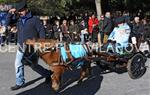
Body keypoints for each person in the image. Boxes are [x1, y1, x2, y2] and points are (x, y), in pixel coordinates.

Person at [7, 0, 52, 90]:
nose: (20, 12)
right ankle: (19, 82)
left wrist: (41, 43)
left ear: (26, 9)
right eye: (18, 11)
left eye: (21, 10)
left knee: (34, 66)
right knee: (18, 64)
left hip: (32, 47)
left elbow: (41, 30)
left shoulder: (34, 19)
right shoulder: (18, 19)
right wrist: (9, 14)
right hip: (21, 46)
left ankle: (47, 74)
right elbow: (8, 23)